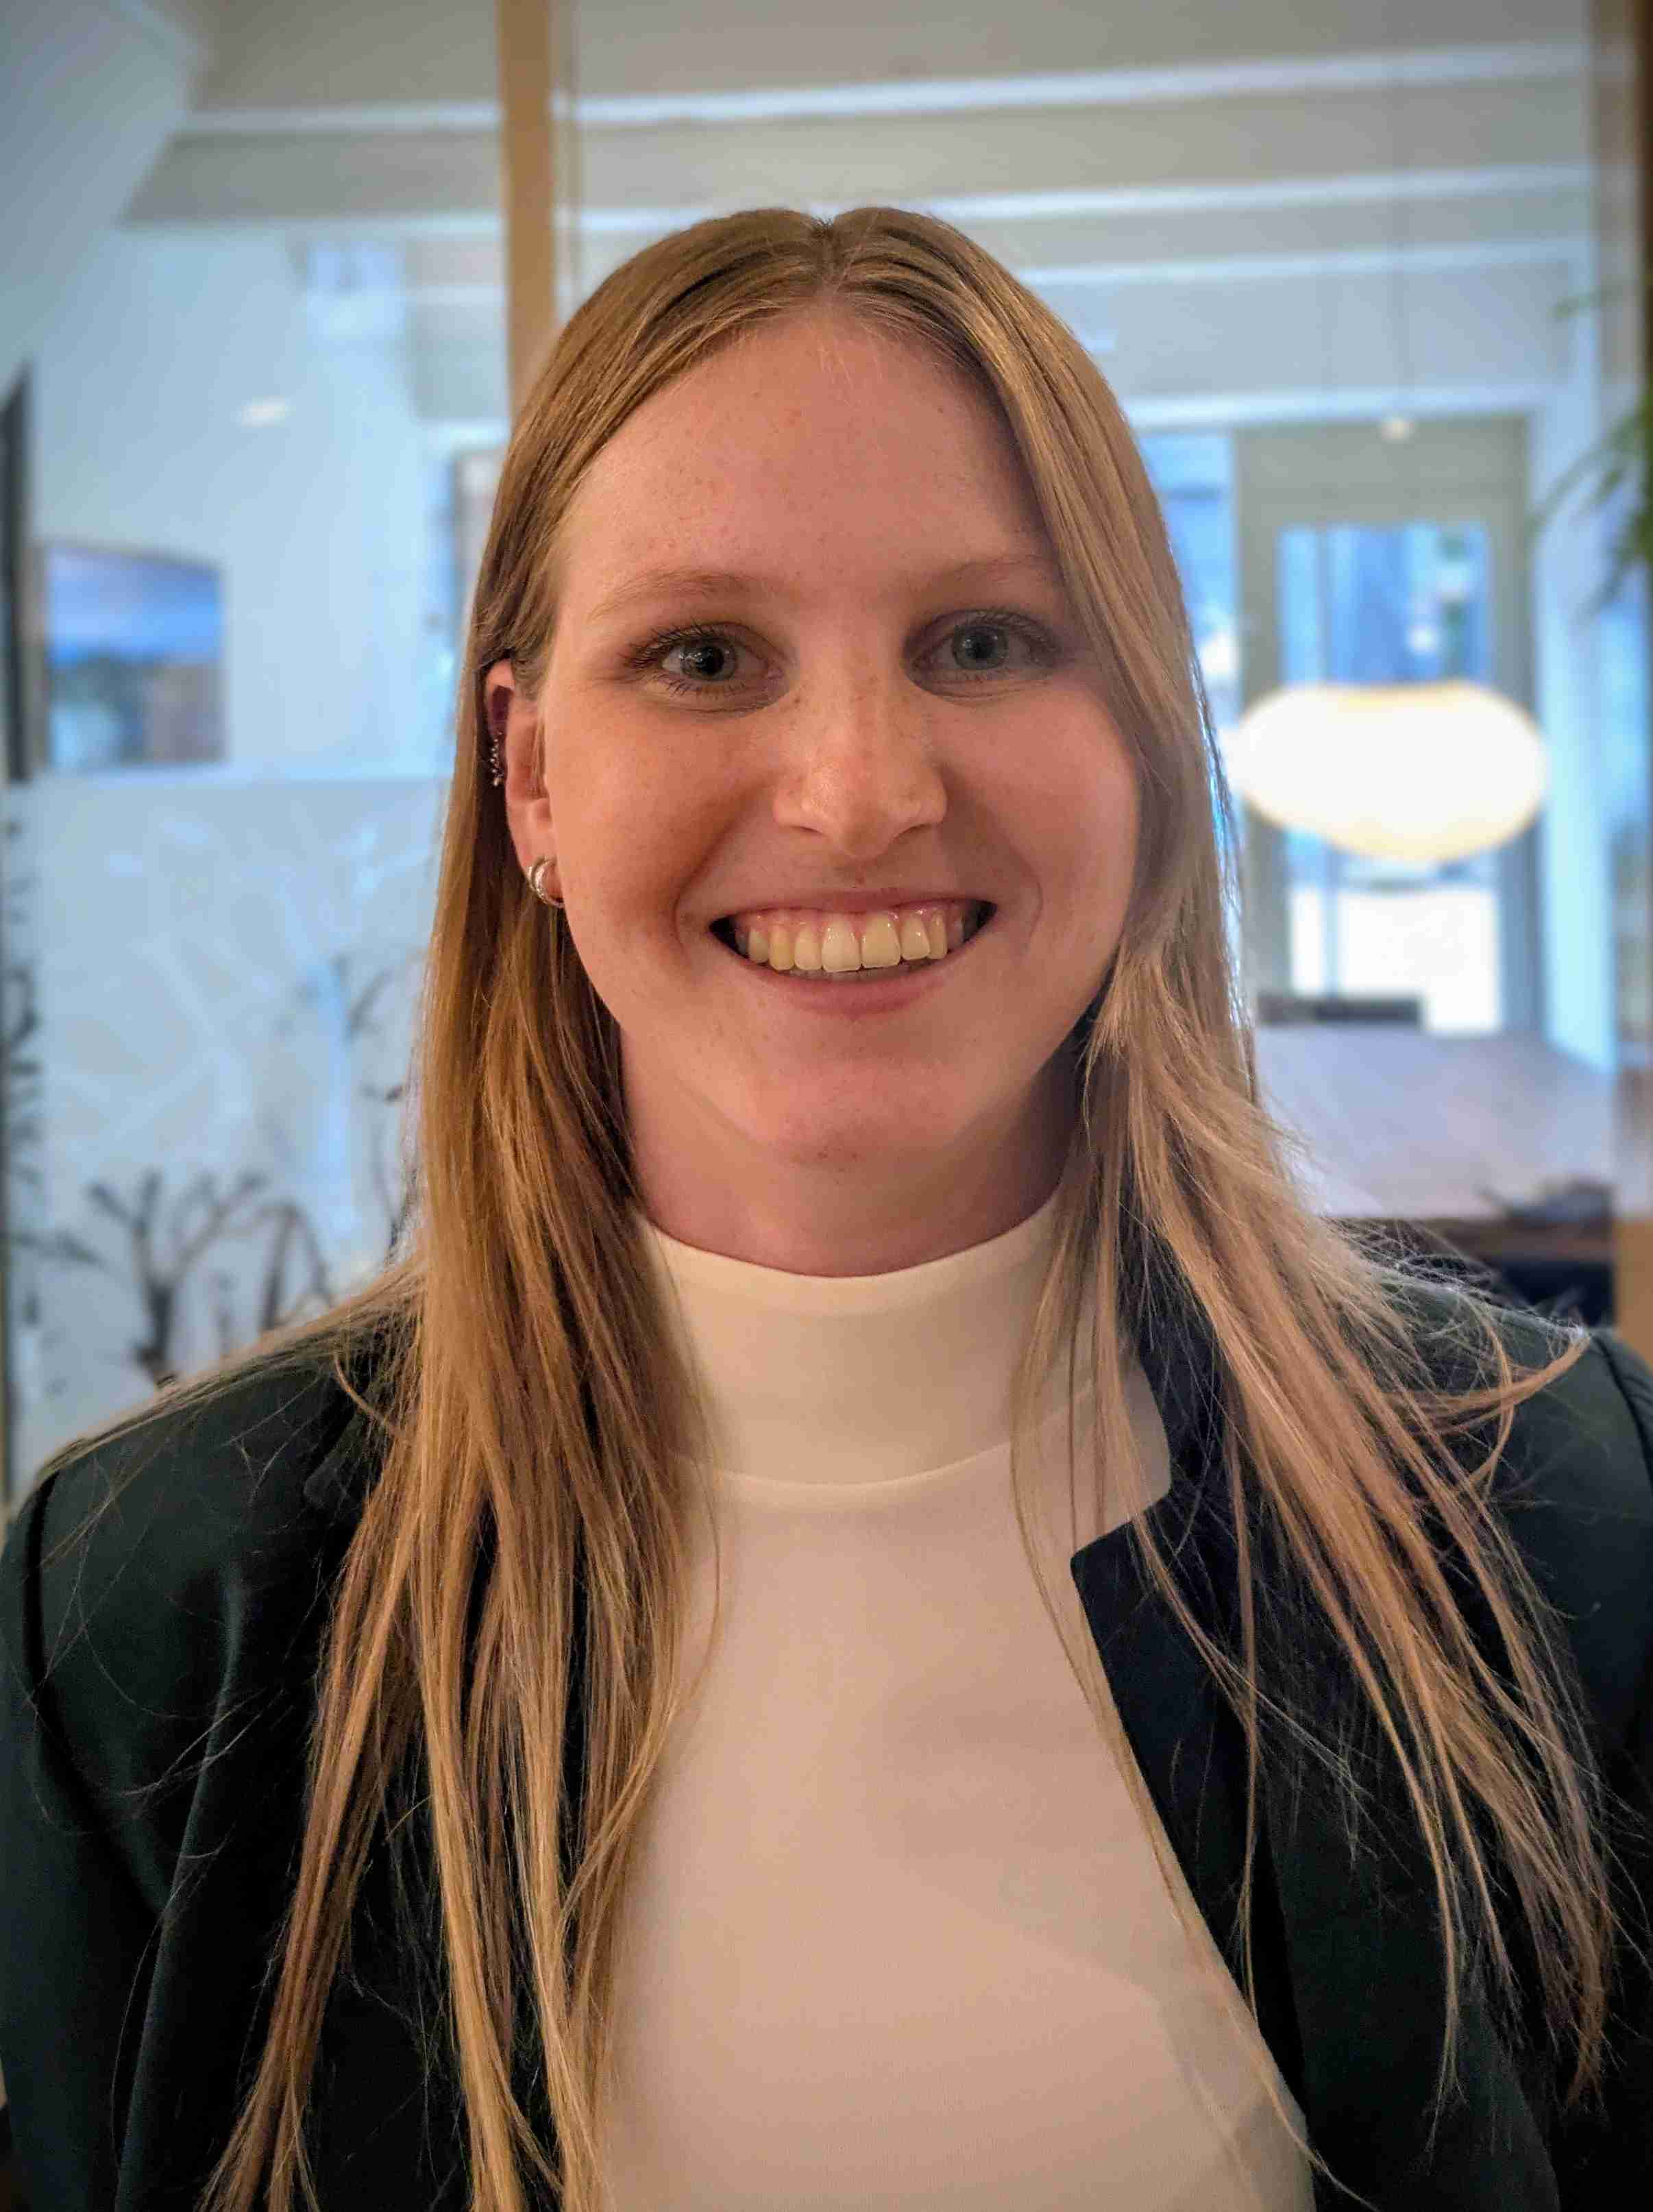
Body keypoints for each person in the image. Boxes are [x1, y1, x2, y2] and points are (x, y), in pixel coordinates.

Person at [1, 203, 1650, 2212]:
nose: (859, 792)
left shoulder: (1556, 1513)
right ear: (530, 777)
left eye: (984, 643)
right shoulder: (148, 1607)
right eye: (703, 656)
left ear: (1144, 744)